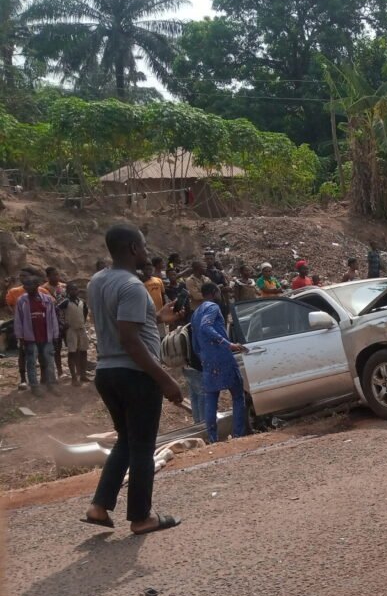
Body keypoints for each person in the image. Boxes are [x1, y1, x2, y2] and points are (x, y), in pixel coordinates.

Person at [83, 223, 183, 535]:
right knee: (143, 446)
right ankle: (142, 517)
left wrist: (156, 318)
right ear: (132, 249)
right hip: (135, 375)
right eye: (142, 245)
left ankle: (99, 507)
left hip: (107, 373)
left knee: (127, 441)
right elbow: (129, 339)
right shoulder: (132, 286)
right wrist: (165, 379)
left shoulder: (97, 281)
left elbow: (120, 327)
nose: (147, 251)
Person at [190, 283, 249, 443]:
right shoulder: (213, 308)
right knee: (237, 394)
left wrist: (202, 355)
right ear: (214, 292)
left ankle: (213, 438)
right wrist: (227, 344)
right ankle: (238, 434)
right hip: (222, 356)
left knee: (211, 397)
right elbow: (205, 327)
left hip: (207, 360)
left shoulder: (195, 313)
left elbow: (195, 341)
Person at [13, 272, 60, 395]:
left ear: (37, 285)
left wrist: (55, 334)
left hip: (46, 335)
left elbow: (53, 318)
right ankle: (34, 386)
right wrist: (20, 337)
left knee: (49, 361)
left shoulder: (47, 299)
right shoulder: (21, 301)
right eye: (25, 285)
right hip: (30, 337)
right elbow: (18, 320)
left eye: (29, 285)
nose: (26, 288)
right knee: (31, 361)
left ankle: (51, 384)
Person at [60, 281, 90, 385]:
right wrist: (63, 323)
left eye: (75, 289)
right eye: (71, 289)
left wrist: (83, 321)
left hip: (81, 328)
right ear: (67, 291)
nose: (74, 291)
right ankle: (74, 377)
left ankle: (83, 374)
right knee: (72, 353)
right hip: (71, 330)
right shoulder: (66, 302)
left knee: (84, 351)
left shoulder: (82, 301)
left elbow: (85, 312)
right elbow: (56, 310)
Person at [40, 266, 67, 376]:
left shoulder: (64, 286)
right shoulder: (43, 289)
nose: (56, 277)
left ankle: (76, 370)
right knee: (57, 348)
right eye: (53, 275)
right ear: (48, 277)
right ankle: (60, 371)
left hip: (67, 321)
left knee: (73, 347)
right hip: (54, 322)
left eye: (57, 274)